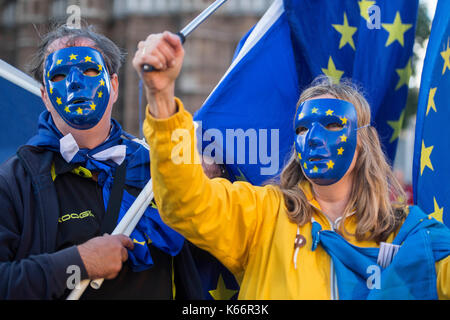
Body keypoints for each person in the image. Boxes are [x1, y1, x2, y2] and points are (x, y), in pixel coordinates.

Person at [133, 31, 450, 300]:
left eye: (331, 124)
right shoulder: (265, 215)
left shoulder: (406, 233)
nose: (313, 138)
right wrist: (161, 98)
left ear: (362, 140)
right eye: (302, 128)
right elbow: (186, 201)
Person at [0, 25, 204, 299]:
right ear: (46, 97)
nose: (74, 82)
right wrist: (77, 262)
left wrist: (203, 176)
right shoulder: (14, 182)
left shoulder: (156, 168)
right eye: (59, 75)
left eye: (90, 70)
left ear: (115, 85)